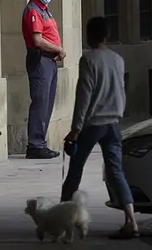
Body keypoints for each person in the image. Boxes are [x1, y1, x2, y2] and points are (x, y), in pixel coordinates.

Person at [60, 16, 139, 240]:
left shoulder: (88, 60)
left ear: (89, 35)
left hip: (93, 124)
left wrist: (75, 129)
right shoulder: (118, 60)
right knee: (116, 172)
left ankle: (63, 215)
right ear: (107, 35)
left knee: (75, 171)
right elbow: (121, 91)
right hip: (113, 123)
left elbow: (83, 96)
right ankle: (131, 220)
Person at [22, 0, 66, 159]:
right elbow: (37, 40)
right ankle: (35, 144)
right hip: (40, 59)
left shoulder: (44, 10)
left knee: (46, 102)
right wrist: (59, 49)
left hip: (49, 60)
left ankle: (40, 142)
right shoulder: (33, 11)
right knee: (40, 101)